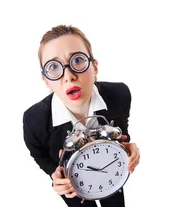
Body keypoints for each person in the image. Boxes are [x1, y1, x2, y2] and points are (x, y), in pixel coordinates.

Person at [23, 25, 141, 207]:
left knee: (115, 200)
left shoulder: (120, 95)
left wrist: (126, 147)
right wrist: (54, 173)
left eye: (77, 60)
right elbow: (38, 154)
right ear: (46, 81)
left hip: (108, 170)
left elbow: (121, 129)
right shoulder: (34, 121)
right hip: (73, 182)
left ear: (94, 67)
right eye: (53, 67)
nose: (69, 76)